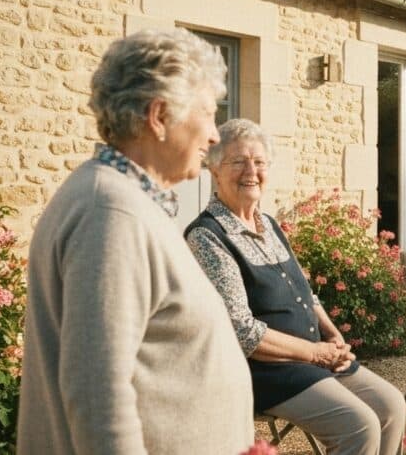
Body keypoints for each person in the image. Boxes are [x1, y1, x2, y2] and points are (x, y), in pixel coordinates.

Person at [17, 29, 254, 453]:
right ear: (159, 116)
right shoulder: (111, 214)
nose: (215, 135)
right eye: (207, 113)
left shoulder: (124, 202)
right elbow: (97, 394)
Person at [186, 118, 406, 455]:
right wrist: (317, 353)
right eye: (238, 161)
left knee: (390, 406)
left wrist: (332, 335)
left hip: (311, 359)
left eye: (259, 162)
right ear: (214, 170)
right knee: (358, 424)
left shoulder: (268, 223)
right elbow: (242, 332)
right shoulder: (207, 236)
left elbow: (306, 291)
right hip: (263, 371)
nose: (251, 170)